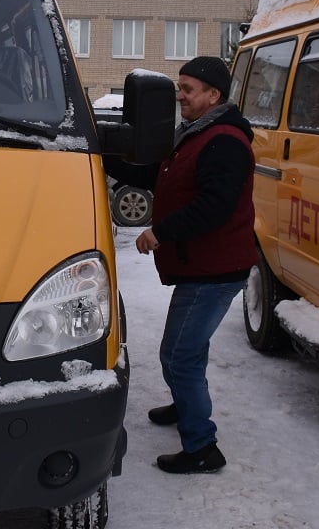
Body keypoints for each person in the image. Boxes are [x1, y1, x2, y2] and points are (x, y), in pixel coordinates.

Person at [108, 55, 256, 474]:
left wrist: (161, 231)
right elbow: (161, 175)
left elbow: (215, 206)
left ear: (214, 95)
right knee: (183, 352)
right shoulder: (197, 134)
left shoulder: (223, 140)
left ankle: (202, 447)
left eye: (188, 88)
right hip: (203, 267)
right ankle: (184, 405)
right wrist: (105, 156)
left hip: (214, 272)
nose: (180, 95)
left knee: (180, 356)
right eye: (180, 86)